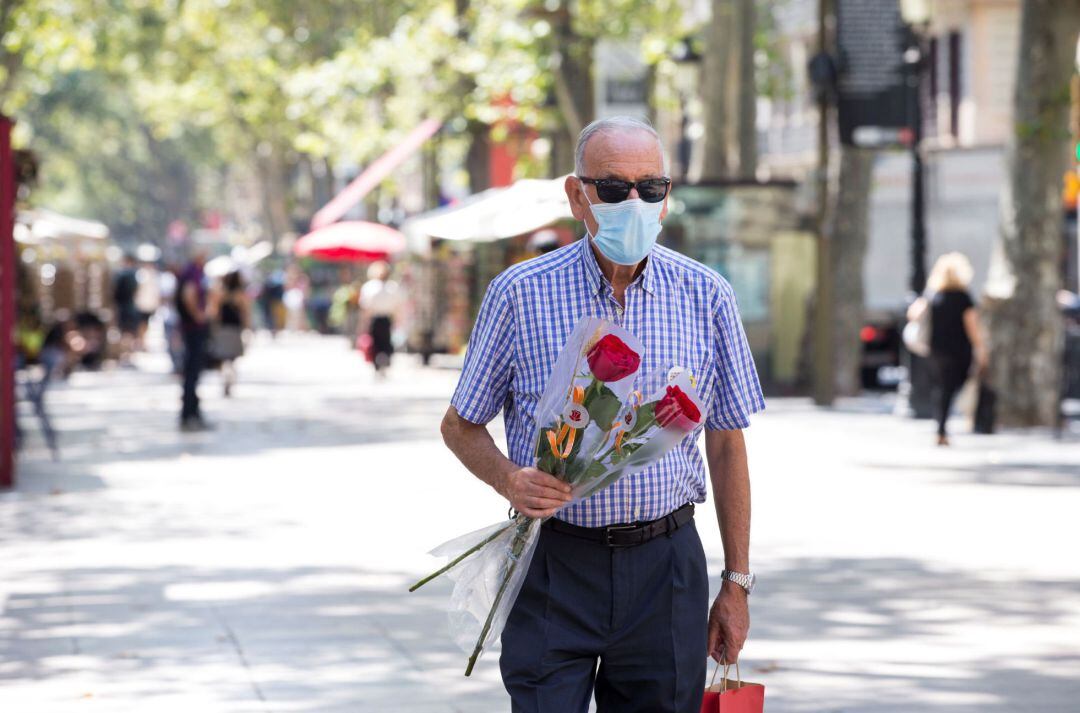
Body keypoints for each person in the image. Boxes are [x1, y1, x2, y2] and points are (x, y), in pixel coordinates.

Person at [439, 116, 765, 712]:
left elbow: (726, 443)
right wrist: (509, 478)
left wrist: (736, 583)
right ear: (577, 194)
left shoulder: (706, 295)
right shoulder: (520, 293)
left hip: (666, 567)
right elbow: (459, 424)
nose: (634, 203)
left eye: (651, 188)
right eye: (614, 189)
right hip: (550, 562)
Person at [908, 252, 987, 446]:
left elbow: (913, 314)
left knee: (943, 388)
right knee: (951, 387)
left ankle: (941, 428)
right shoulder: (963, 297)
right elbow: (972, 326)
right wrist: (981, 348)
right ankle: (942, 429)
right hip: (958, 350)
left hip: (936, 349)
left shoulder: (933, 295)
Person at [176, 249, 212, 431]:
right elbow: (188, 295)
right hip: (193, 330)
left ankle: (193, 412)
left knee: (194, 372)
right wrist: (199, 315)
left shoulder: (194, 272)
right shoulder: (192, 272)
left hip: (191, 328)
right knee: (192, 372)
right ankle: (189, 414)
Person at [208, 270, 250, 397]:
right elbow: (245, 314)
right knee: (231, 358)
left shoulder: (220, 294)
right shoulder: (240, 295)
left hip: (223, 329)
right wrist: (247, 329)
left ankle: (226, 377)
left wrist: (213, 328)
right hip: (235, 329)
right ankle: (229, 378)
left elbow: (214, 313)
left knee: (224, 357)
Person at [359, 261, 401, 375]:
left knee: (376, 343)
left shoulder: (369, 287)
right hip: (386, 319)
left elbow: (365, 306)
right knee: (385, 342)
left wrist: (364, 322)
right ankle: (384, 362)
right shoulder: (393, 287)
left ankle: (377, 364)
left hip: (375, 319)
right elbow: (397, 306)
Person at [112, 253, 140, 363]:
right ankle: (127, 355)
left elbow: (116, 292)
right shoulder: (134, 275)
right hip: (130, 306)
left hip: (124, 307)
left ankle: (125, 355)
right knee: (130, 332)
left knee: (125, 332)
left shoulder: (122, 275)